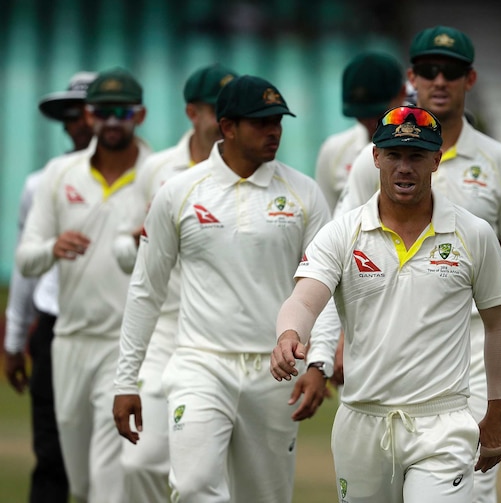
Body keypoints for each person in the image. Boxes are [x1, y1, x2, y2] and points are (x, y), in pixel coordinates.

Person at [270, 105, 501, 503]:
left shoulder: (474, 234)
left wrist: (498, 413)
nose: (405, 168)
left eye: (417, 156)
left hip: (443, 422)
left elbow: (500, 323)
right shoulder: (343, 233)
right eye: (394, 156)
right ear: (375, 157)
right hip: (363, 421)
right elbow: (304, 297)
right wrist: (289, 334)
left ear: (436, 160)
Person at [335, 25, 501, 502]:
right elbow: (338, 253)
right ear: (412, 76)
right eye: (429, 70)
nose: (439, 81)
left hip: (474, 345)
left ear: (470, 79)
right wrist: (339, 340)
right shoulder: (374, 160)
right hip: (395, 348)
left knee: (476, 485)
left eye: (450, 71)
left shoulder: (498, 160)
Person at [112, 74, 331, 502]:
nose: (274, 132)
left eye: (279, 122)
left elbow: (323, 287)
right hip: (200, 362)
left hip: (276, 371)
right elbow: (145, 290)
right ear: (228, 127)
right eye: (261, 122)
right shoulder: (178, 192)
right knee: (192, 487)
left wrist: (319, 363)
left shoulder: (304, 193)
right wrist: (126, 381)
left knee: (262, 496)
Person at [15, 66, 152, 503]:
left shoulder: (161, 176)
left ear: (140, 115)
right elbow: (25, 258)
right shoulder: (59, 174)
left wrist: (138, 244)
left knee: (108, 478)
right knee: (78, 481)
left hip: (126, 346)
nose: (113, 121)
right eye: (103, 112)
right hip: (68, 341)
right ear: (89, 116)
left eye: (123, 111)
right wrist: (54, 247)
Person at [111, 62, 238, 502]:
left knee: (221, 476)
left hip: (225, 336)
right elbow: (125, 253)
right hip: (166, 332)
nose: (223, 120)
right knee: (140, 462)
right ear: (192, 113)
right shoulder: (159, 170)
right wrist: (134, 244)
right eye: (213, 109)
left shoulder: (252, 173)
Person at [3, 70, 95, 503]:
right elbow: (26, 266)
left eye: (85, 113)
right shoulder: (40, 184)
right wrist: (15, 338)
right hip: (56, 327)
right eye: (70, 116)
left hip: (121, 329)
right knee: (52, 457)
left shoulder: (150, 178)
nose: (77, 123)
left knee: (126, 461)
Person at [315, 50, 406, 211]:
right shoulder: (334, 150)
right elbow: (327, 221)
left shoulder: (429, 144)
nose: (370, 121)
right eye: (361, 114)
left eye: (378, 113)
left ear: (401, 94)